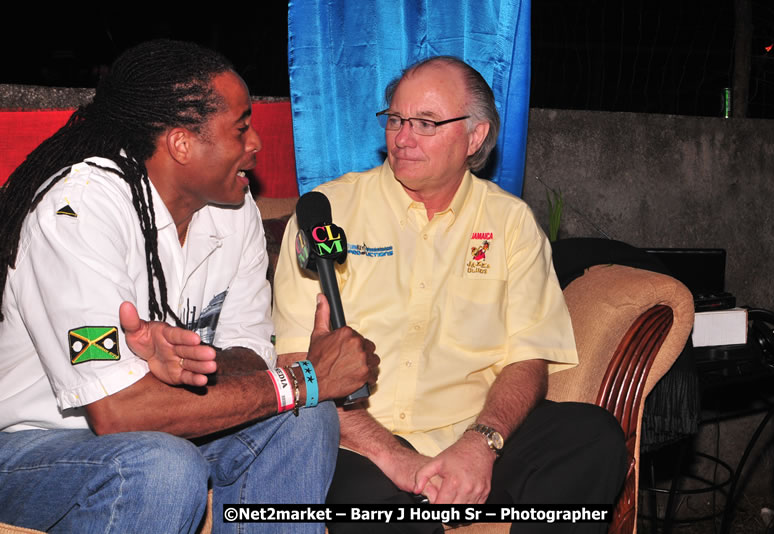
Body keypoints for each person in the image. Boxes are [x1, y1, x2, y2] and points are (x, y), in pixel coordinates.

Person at [0, 39, 378, 534]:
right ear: (181, 143)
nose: (256, 143)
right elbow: (117, 414)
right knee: (160, 465)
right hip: (31, 444)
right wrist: (306, 378)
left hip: (159, 430)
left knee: (306, 419)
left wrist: (194, 367)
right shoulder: (80, 209)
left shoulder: (234, 207)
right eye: (241, 127)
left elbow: (248, 352)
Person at [272, 56, 628, 533]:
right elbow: (296, 366)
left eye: (426, 123)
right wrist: (397, 458)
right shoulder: (327, 213)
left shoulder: (510, 223)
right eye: (396, 119)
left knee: (590, 436)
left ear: (475, 137)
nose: (402, 137)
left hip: (468, 439)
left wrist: (481, 444)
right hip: (356, 446)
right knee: (392, 513)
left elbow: (528, 359)